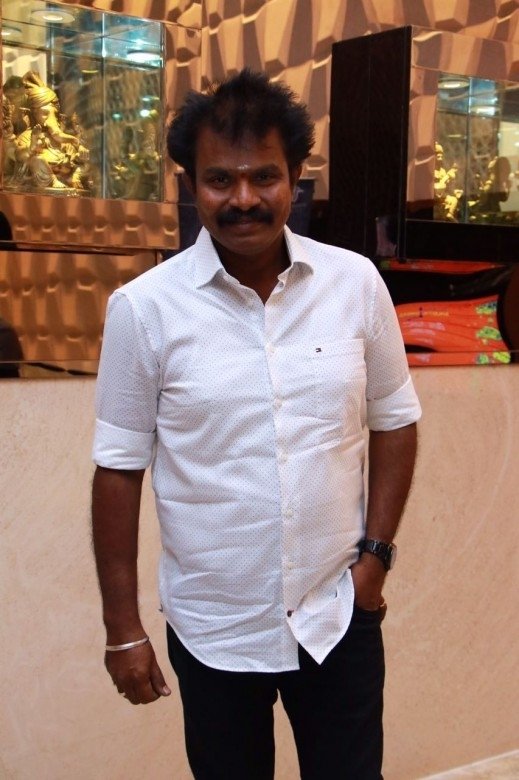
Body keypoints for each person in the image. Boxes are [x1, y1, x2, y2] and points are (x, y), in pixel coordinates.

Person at [92, 68, 421, 779]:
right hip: (213, 628)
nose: (243, 198)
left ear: (295, 177)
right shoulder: (144, 310)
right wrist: (123, 629)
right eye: (219, 180)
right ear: (190, 184)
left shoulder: (355, 283)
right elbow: (118, 469)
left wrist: (374, 561)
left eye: (263, 176)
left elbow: (395, 420)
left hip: (336, 616)